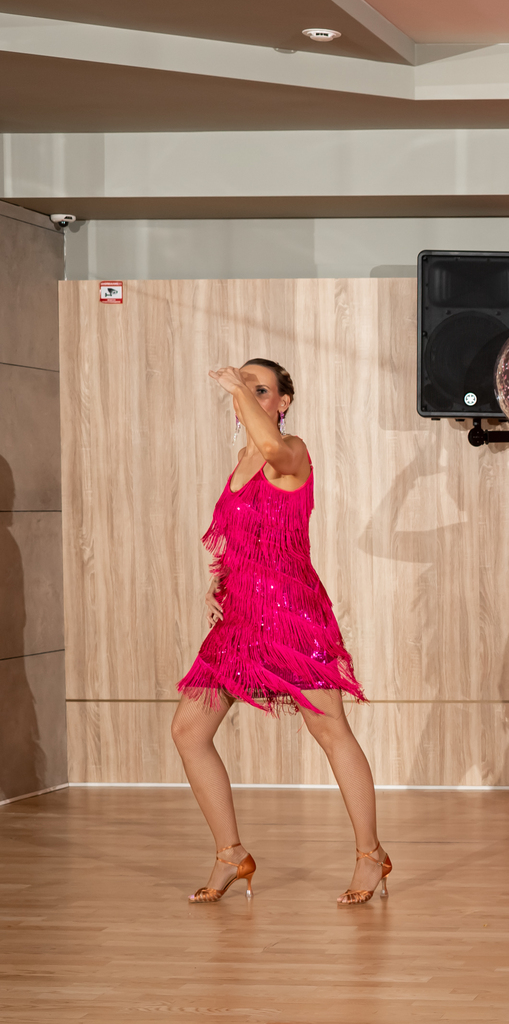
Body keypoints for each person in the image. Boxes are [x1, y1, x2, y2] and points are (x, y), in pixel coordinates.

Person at [174, 360, 389, 906]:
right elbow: (242, 537)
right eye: (243, 387)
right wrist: (220, 586)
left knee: (330, 731)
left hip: (291, 614)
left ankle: (370, 855)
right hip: (241, 620)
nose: (247, 394)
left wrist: (236, 387)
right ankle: (231, 853)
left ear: (283, 402)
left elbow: (270, 447)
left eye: (261, 389)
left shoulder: (290, 451)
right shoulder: (241, 462)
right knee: (188, 731)